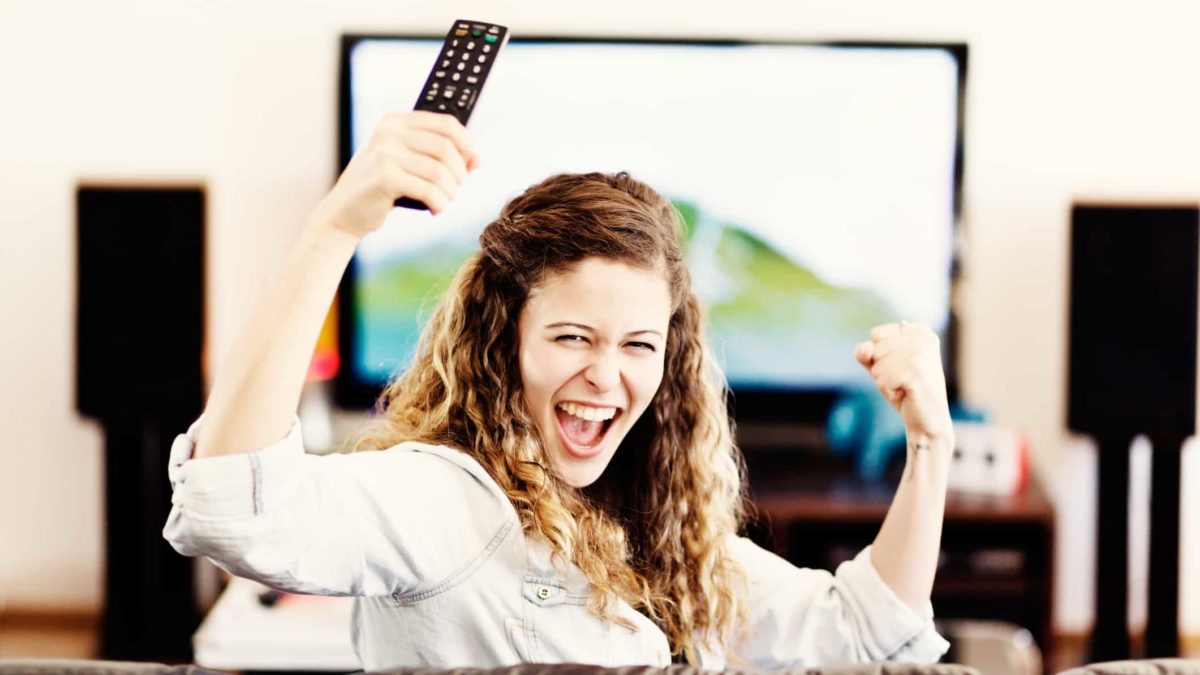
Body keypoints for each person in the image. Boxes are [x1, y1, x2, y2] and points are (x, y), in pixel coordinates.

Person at [164, 110, 955, 670]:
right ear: (502, 340)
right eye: (573, 337)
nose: (607, 378)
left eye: (638, 345)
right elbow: (233, 508)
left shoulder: (664, 530)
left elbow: (862, 626)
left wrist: (930, 444)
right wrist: (338, 224)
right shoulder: (445, 500)